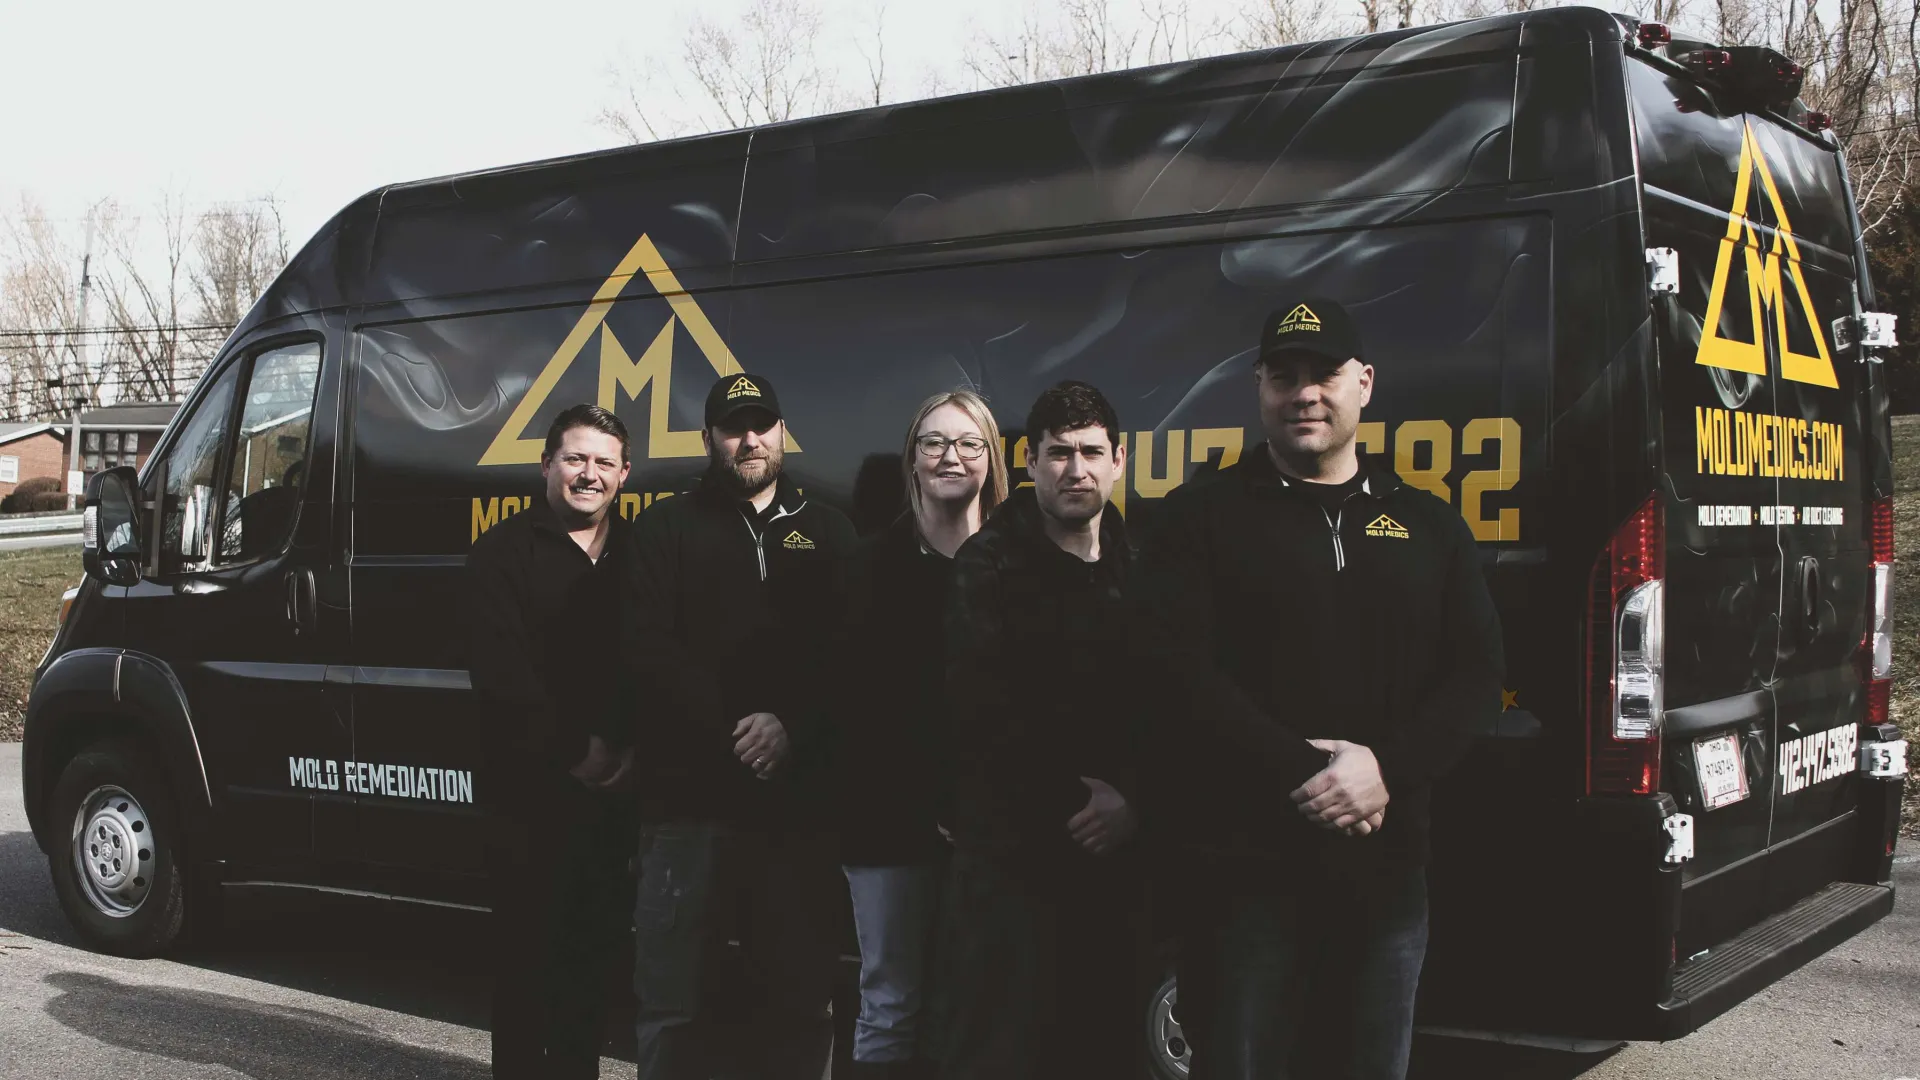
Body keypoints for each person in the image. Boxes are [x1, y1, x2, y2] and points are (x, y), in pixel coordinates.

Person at [1137, 297, 1505, 1080]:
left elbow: (1476, 678)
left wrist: (1385, 771)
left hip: (1384, 883)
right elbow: (1177, 676)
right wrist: (1309, 772)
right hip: (1241, 879)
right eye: (1284, 376)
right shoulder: (1198, 519)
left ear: (1364, 383)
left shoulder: (1430, 526)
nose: (1304, 393)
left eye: (1324, 374)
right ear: (1259, 387)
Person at [623, 371, 859, 1080]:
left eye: (762, 425)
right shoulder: (664, 528)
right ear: (708, 440)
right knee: (673, 1007)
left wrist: (793, 728)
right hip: (686, 812)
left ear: (782, 433)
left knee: (798, 1005)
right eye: (733, 428)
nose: (749, 439)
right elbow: (646, 653)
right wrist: (740, 728)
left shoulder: (829, 530)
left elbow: (850, 660)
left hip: (795, 817)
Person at [936, 380, 1150, 1080]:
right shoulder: (988, 563)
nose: (1075, 469)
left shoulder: (1142, 564)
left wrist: (1134, 800)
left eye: (1091, 452)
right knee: (1000, 1055)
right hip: (1011, 867)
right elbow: (982, 712)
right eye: (1059, 453)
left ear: (1119, 459)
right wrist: (1083, 803)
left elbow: (1171, 701)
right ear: (1030, 462)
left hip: (1118, 866)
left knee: (1102, 1051)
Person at [836, 390, 1011, 1079]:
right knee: (891, 1004)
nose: (950, 456)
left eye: (968, 443)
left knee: (979, 1005)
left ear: (991, 459)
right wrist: (935, 799)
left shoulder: (1017, 564)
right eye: (934, 442)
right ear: (912, 459)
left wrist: (979, 802)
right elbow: (859, 710)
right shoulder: (868, 567)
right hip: (890, 825)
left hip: (994, 827)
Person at [466, 403, 637, 1080]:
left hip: (617, 801)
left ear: (624, 474)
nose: (588, 474)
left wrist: (631, 750)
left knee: (591, 972)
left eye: (603, 463)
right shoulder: (500, 554)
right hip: (527, 803)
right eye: (575, 459)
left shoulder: (642, 553)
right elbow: (503, 675)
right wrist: (579, 752)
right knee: (524, 970)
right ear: (546, 465)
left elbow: (657, 659)